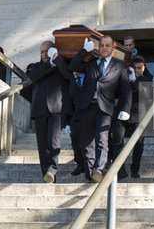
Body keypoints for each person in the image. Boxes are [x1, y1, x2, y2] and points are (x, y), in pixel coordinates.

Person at [69, 36, 132, 182]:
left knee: (102, 140)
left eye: (107, 45)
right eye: (102, 45)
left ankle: (99, 168)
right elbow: (72, 67)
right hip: (87, 107)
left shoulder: (119, 66)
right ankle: (92, 174)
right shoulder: (90, 63)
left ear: (112, 48)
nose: (104, 48)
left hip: (105, 109)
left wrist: (125, 109)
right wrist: (84, 50)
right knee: (86, 143)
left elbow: (126, 90)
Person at [27, 41, 73, 183]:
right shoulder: (35, 67)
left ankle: (51, 170)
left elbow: (68, 75)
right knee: (42, 146)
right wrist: (50, 65)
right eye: (41, 52)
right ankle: (46, 175)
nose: (44, 54)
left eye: (47, 51)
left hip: (56, 109)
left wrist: (57, 60)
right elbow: (33, 76)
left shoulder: (61, 64)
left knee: (53, 142)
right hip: (40, 110)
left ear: (53, 50)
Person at [111, 56, 153, 180]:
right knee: (117, 140)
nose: (136, 70)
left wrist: (134, 80)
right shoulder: (123, 77)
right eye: (134, 68)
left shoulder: (148, 79)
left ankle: (135, 169)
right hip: (121, 113)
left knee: (139, 144)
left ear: (144, 68)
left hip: (138, 114)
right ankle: (120, 171)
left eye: (139, 68)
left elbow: (145, 94)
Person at [67, 63, 87, 176]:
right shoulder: (72, 80)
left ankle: (89, 165)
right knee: (75, 141)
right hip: (75, 115)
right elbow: (68, 99)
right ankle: (80, 164)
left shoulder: (89, 76)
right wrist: (67, 121)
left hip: (89, 113)